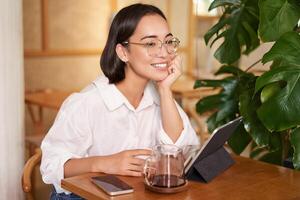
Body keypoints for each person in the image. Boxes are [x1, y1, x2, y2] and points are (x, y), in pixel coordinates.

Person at [40, 3, 200, 199]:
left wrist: (165, 89)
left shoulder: (161, 98)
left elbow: (182, 154)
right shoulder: (86, 102)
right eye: (150, 43)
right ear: (123, 52)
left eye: (168, 42)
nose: (165, 52)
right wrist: (103, 163)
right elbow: (50, 166)